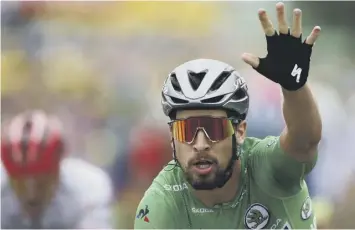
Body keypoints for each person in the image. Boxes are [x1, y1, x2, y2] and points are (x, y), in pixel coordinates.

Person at [134, 2, 322, 229]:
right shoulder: (161, 203)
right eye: (186, 131)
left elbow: (304, 140)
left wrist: (294, 87)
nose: (200, 144)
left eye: (213, 130)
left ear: (240, 131)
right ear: (172, 137)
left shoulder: (268, 168)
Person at [1, 110, 114, 229]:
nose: (31, 195)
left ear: (59, 170)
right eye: (20, 184)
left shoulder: (89, 188)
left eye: (41, 182)